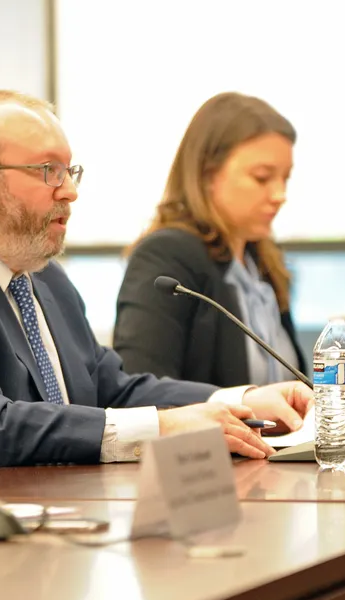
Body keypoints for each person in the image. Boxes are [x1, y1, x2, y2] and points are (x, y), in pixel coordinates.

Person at [0, 90, 311, 485]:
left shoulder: (44, 280)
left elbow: (115, 390)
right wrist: (164, 427)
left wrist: (239, 401)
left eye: (69, 171)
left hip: (55, 527)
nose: (69, 191)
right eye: (47, 172)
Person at [114, 92, 305, 387]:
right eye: (263, 177)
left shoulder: (265, 261)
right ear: (207, 174)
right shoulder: (168, 256)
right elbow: (141, 388)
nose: (280, 195)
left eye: (286, 179)